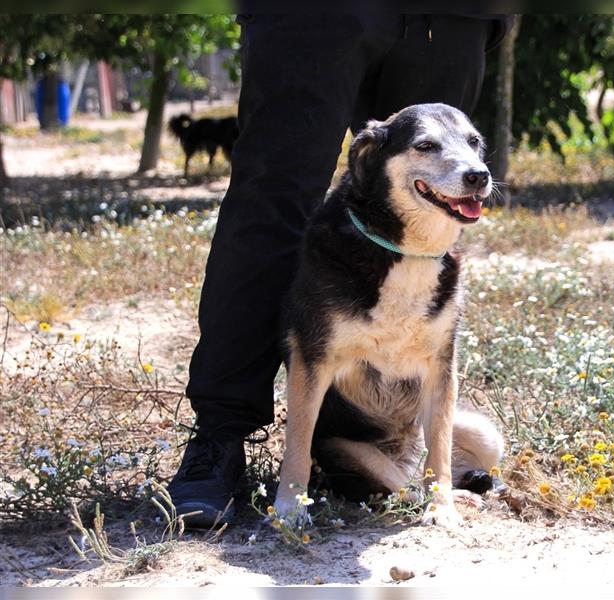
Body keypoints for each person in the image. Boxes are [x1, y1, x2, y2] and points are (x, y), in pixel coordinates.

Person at [167, 13, 513, 526]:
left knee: (434, 202)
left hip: (451, 12)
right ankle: (220, 435)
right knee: (270, 200)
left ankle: (430, 463)